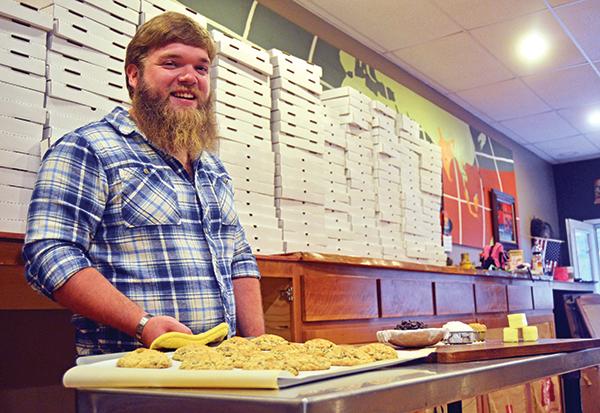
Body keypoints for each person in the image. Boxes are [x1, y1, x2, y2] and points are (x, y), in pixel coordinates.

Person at [23, 12, 265, 356]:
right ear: (134, 75)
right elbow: (50, 254)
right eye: (171, 63)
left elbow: (239, 260)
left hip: (221, 367)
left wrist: (257, 348)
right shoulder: (88, 148)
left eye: (201, 68)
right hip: (132, 370)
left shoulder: (213, 168)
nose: (189, 77)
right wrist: (143, 323)